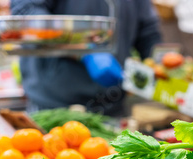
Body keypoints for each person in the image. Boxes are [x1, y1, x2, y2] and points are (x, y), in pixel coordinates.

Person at [11, 0, 162, 116]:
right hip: (54, 106)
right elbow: (27, 12)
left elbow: (148, 32)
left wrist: (163, 61)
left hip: (112, 106)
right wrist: (84, 48)